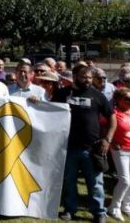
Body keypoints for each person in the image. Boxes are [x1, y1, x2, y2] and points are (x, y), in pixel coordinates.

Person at [53, 65, 116, 222]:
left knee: (96, 183)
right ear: (74, 76)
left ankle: (99, 213)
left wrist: (107, 139)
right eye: (84, 77)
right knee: (69, 181)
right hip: (68, 147)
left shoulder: (98, 95)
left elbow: (112, 118)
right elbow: (49, 111)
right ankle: (69, 210)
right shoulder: (62, 94)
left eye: (89, 77)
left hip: (92, 147)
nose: (87, 80)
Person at [108, 88, 130, 221]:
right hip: (120, 150)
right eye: (127, 99)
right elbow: (104, 128)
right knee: (125, 181)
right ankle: (114, 207)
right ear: (118, 100)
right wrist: (112, 141)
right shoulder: (114, 113)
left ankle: (127, 206)